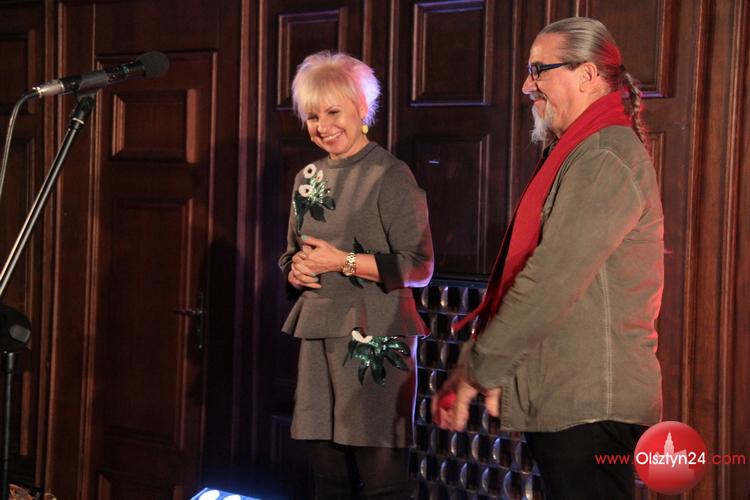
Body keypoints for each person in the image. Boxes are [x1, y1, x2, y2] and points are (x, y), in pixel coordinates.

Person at [432, 17, 663, 500]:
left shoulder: (602, 156)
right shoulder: (586, 150)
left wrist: (478, 371)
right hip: (571, 398)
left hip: (590, 406)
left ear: (587, 75)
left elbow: (549, 283)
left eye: (539, 70)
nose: (526, 85)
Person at [279, 51, 434, 499]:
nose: (322, 126)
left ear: (362, 109)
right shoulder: (307, 177)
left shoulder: (390, 174)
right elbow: (292, 255)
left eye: (333, 112)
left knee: (381, 479)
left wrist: (341, 261)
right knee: (327, 473)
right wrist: (297, 271)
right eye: (313, 116)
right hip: (318, 334)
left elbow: (419, 266)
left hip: (374, 335)